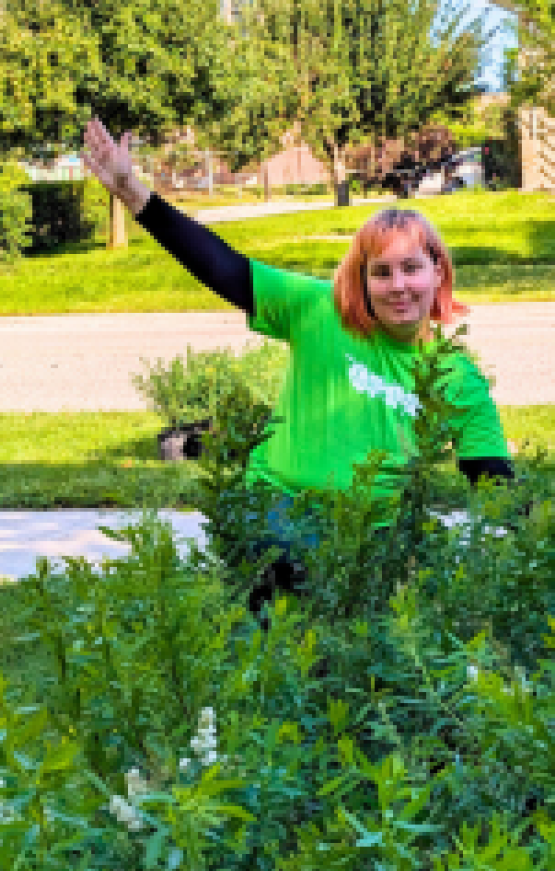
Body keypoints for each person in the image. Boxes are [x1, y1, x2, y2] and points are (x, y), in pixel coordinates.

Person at [81, 119, 515, 603]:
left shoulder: (456, 377)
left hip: (370, 546)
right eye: (382, 272)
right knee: (297, 599)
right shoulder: (320, 311)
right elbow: (220, 266)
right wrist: (131, 190)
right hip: (277, 511)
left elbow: (493, 483)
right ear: (362, 279)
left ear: (438, 272)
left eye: (412, 268)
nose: (398, 286)